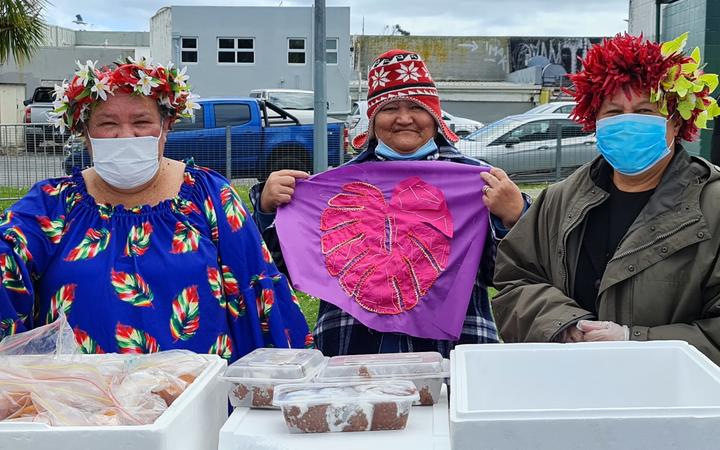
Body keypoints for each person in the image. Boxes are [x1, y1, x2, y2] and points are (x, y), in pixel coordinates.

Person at [0, 58, 310, 360]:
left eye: (141, 122)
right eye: (108, 124)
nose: (126, 136)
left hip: (196, 403)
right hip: (85, 403)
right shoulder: (54, 205)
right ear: (85, 133)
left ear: (167, 125)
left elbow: (258, 290)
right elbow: (6, 256)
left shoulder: (209, 196)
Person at [250, 49, 531, 357]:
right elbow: (281, 271)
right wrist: (267, 210)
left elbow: (504, 275)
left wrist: (515, 218)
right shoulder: (332, 189)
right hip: (352, 351)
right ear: (373, 120)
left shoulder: (481, 183)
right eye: (389, 108)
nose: (404, 118)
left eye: (416, 106)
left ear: (435, 115)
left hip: (452, 353)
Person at [492, 33, 720, 364]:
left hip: (676, 401)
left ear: (675, 121)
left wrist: (634, 340)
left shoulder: (712, 206)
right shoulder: (558, 201)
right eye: (613, 112)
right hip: (572, 388)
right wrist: (563, 326)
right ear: (594, 121)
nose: (628, 122)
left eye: (644, 110)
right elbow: (515, 281)